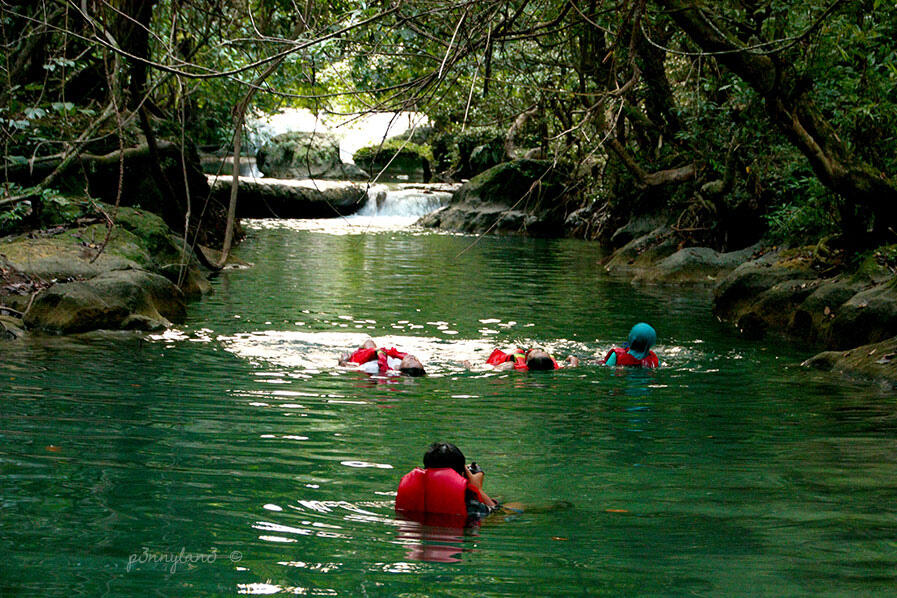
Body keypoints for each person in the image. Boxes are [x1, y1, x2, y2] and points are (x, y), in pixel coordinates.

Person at [395, 442, 497, 525]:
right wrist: (478, 489)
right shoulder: (469, 503)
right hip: (454, 542)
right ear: (462, 473)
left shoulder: (412, 491)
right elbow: (497, 516)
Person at [339, 339, 426, 376]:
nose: (412, 357)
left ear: (403, 370)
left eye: (411, 361)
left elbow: (353, 368)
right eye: (416, 360)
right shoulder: (400, 362)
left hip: (365, 360)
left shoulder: (375, 368)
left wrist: (344, 361)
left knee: (369, 342)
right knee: (370, 343)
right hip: (378, 355)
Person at [475, 347, 579, 371]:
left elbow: (493, 369)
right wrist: (570, 357)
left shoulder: (511, 364)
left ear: (527, 360)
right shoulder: (556, 367)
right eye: (541, 351)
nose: (538, 349)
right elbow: (573, 364)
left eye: (538, 351)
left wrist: (471, 367)